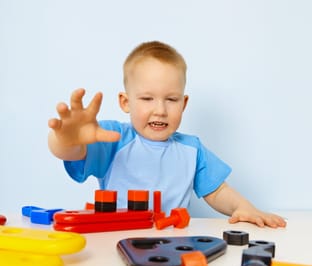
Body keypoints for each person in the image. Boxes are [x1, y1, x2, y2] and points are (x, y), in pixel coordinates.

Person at [48, 40, 286, 228]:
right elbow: (73, 152)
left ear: (183, 103)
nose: (160, 110)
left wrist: (243, 207)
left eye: (171, 99)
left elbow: (218, 190)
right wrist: (65, 139)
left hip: (174, 243)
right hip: (115, 240)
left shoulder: (192, 150)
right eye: (147, 98)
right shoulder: (112, 137)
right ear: (125, 102)